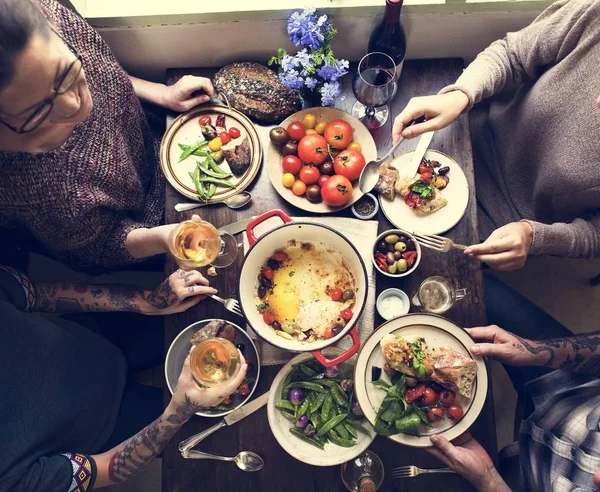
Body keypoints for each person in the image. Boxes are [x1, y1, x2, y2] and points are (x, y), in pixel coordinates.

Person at [0, 0, 216, 272]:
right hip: (142, 228)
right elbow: (101, 247)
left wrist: (160, 93)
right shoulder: (29, 192)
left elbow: (99, 66)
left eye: (65, 72)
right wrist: (164, 237)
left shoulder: (46, 16)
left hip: (156, 149)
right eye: (36, 112)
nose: (73, 106)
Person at [392, 0, 600, 271]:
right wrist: (460, 95)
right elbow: (512, 54)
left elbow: (594, 236)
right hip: (464, 139)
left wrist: (533, 237)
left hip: (499, 224)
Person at [0, 264, 239, 491]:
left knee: (214, 316)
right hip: (109, 427)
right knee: (228, 421)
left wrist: (148, 301)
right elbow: (104, 470)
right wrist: (181, 409)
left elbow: (39, 294)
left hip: (95, 337)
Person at [427, 311, 600, 491]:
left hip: (525, 475)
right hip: (573, 385)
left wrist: (489, 481)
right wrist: (536, 351)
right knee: (483, 292)